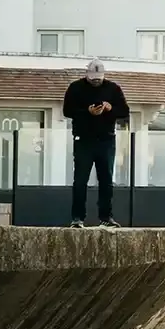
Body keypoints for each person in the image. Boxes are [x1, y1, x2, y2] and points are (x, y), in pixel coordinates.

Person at [63, 59, 130, 227]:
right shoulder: (76, 88)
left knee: (106, 180)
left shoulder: (113, 89)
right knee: (80, 180)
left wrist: (109, 109)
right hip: (83, 139)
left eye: (98, 78)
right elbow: (67, 110)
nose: (96, 81)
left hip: (106, 139)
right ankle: (77, 218)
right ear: (87, 74)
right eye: (93, 78)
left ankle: (106, 217)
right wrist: (87, 112)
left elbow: (124, 111)